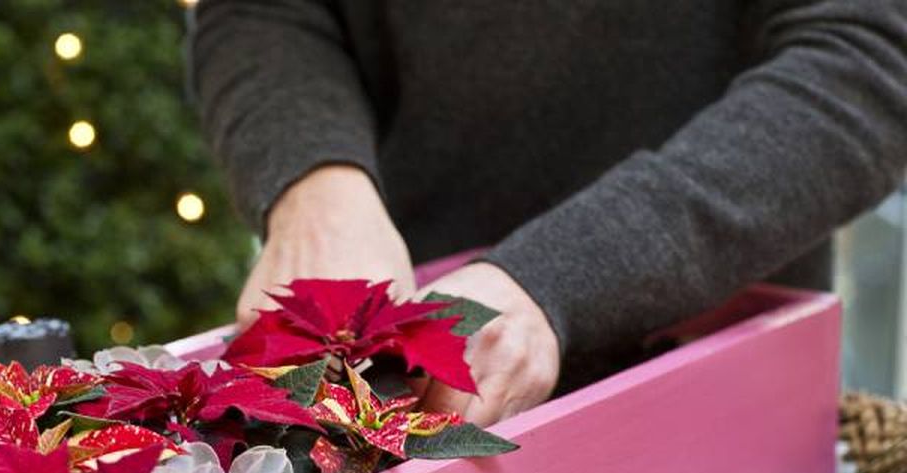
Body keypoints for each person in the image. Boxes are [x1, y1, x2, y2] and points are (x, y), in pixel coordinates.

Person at [190, 1, 907, 424]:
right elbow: (265, 12)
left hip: (719, 393)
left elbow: (865, 59)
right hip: (404, 388)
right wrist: (316, 183)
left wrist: (561, 275)